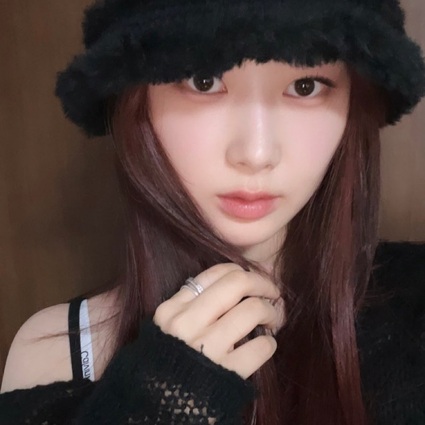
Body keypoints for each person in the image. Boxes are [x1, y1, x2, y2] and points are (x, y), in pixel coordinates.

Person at [1, 0, 425, 424]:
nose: (256, 154)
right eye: (203, 81)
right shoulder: (53, 354)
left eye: (305, 86)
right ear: (136, 98)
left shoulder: (413, 310)